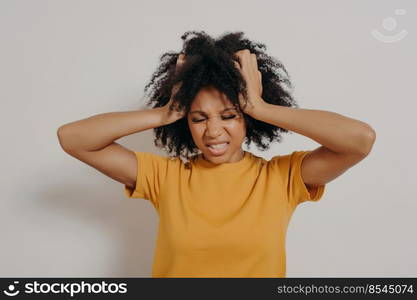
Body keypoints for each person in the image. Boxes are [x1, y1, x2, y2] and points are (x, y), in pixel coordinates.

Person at [57, 30, 376, 278]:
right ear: (186, 122)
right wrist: (166, 112)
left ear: (247, 120)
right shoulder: (165, 177)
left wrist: (260, 107)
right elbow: (73, 139)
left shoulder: (281, 178)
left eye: (229, 116)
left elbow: (360, 140)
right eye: (198, 118)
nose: (212, 131)